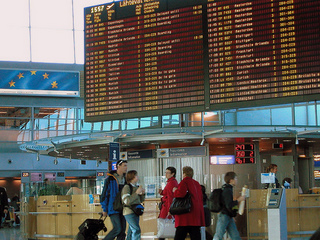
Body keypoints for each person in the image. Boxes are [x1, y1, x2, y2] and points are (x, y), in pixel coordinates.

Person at [172, 166, 205, 240]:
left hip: (185, 216)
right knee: (195, 235)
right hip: (196, 216)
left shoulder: (184, 182)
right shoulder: (197, 183)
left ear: (184, 174)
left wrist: (175, 191)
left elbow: (181, 194)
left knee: (179, 236)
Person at [213, 172, 245, 240]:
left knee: (235, 236)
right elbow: (229, 204)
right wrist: (239, 200)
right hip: (225, 215)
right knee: (219, 235)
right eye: (235, 178)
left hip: (228, 215)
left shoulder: (226, 188)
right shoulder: (227, 190)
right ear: (231, 180)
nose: (237, 180)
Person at [101, 160, 128, 240]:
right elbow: (104, 195)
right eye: (124, 165)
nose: (126, 168)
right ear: (118, 166)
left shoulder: (126, 179)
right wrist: (104, 209)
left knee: (122, 231)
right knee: (117, 228)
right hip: (113, 208)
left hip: (123, 208)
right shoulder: (110, 179)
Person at [121, 170, 145, 240]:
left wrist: (142, 194)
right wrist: (136, 193)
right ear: (133, 177)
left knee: (131, 230)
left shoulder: (136, 187)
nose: (138, 177)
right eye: (136, 176)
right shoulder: (127, 187)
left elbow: (139, 200)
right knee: (136, 229)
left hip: (135, 211)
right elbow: (126, 201)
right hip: (128, 211)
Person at [158, 166, 179, 240]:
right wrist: (162, 192)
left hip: (166, 207)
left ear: (172, 174)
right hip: (166, 206)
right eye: (165, 172)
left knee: (163, 228)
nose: (166, 174)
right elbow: (168, 194)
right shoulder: (171, 182)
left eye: (168, 173)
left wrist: (170, 210)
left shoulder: (171, 183)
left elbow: (170, 197)